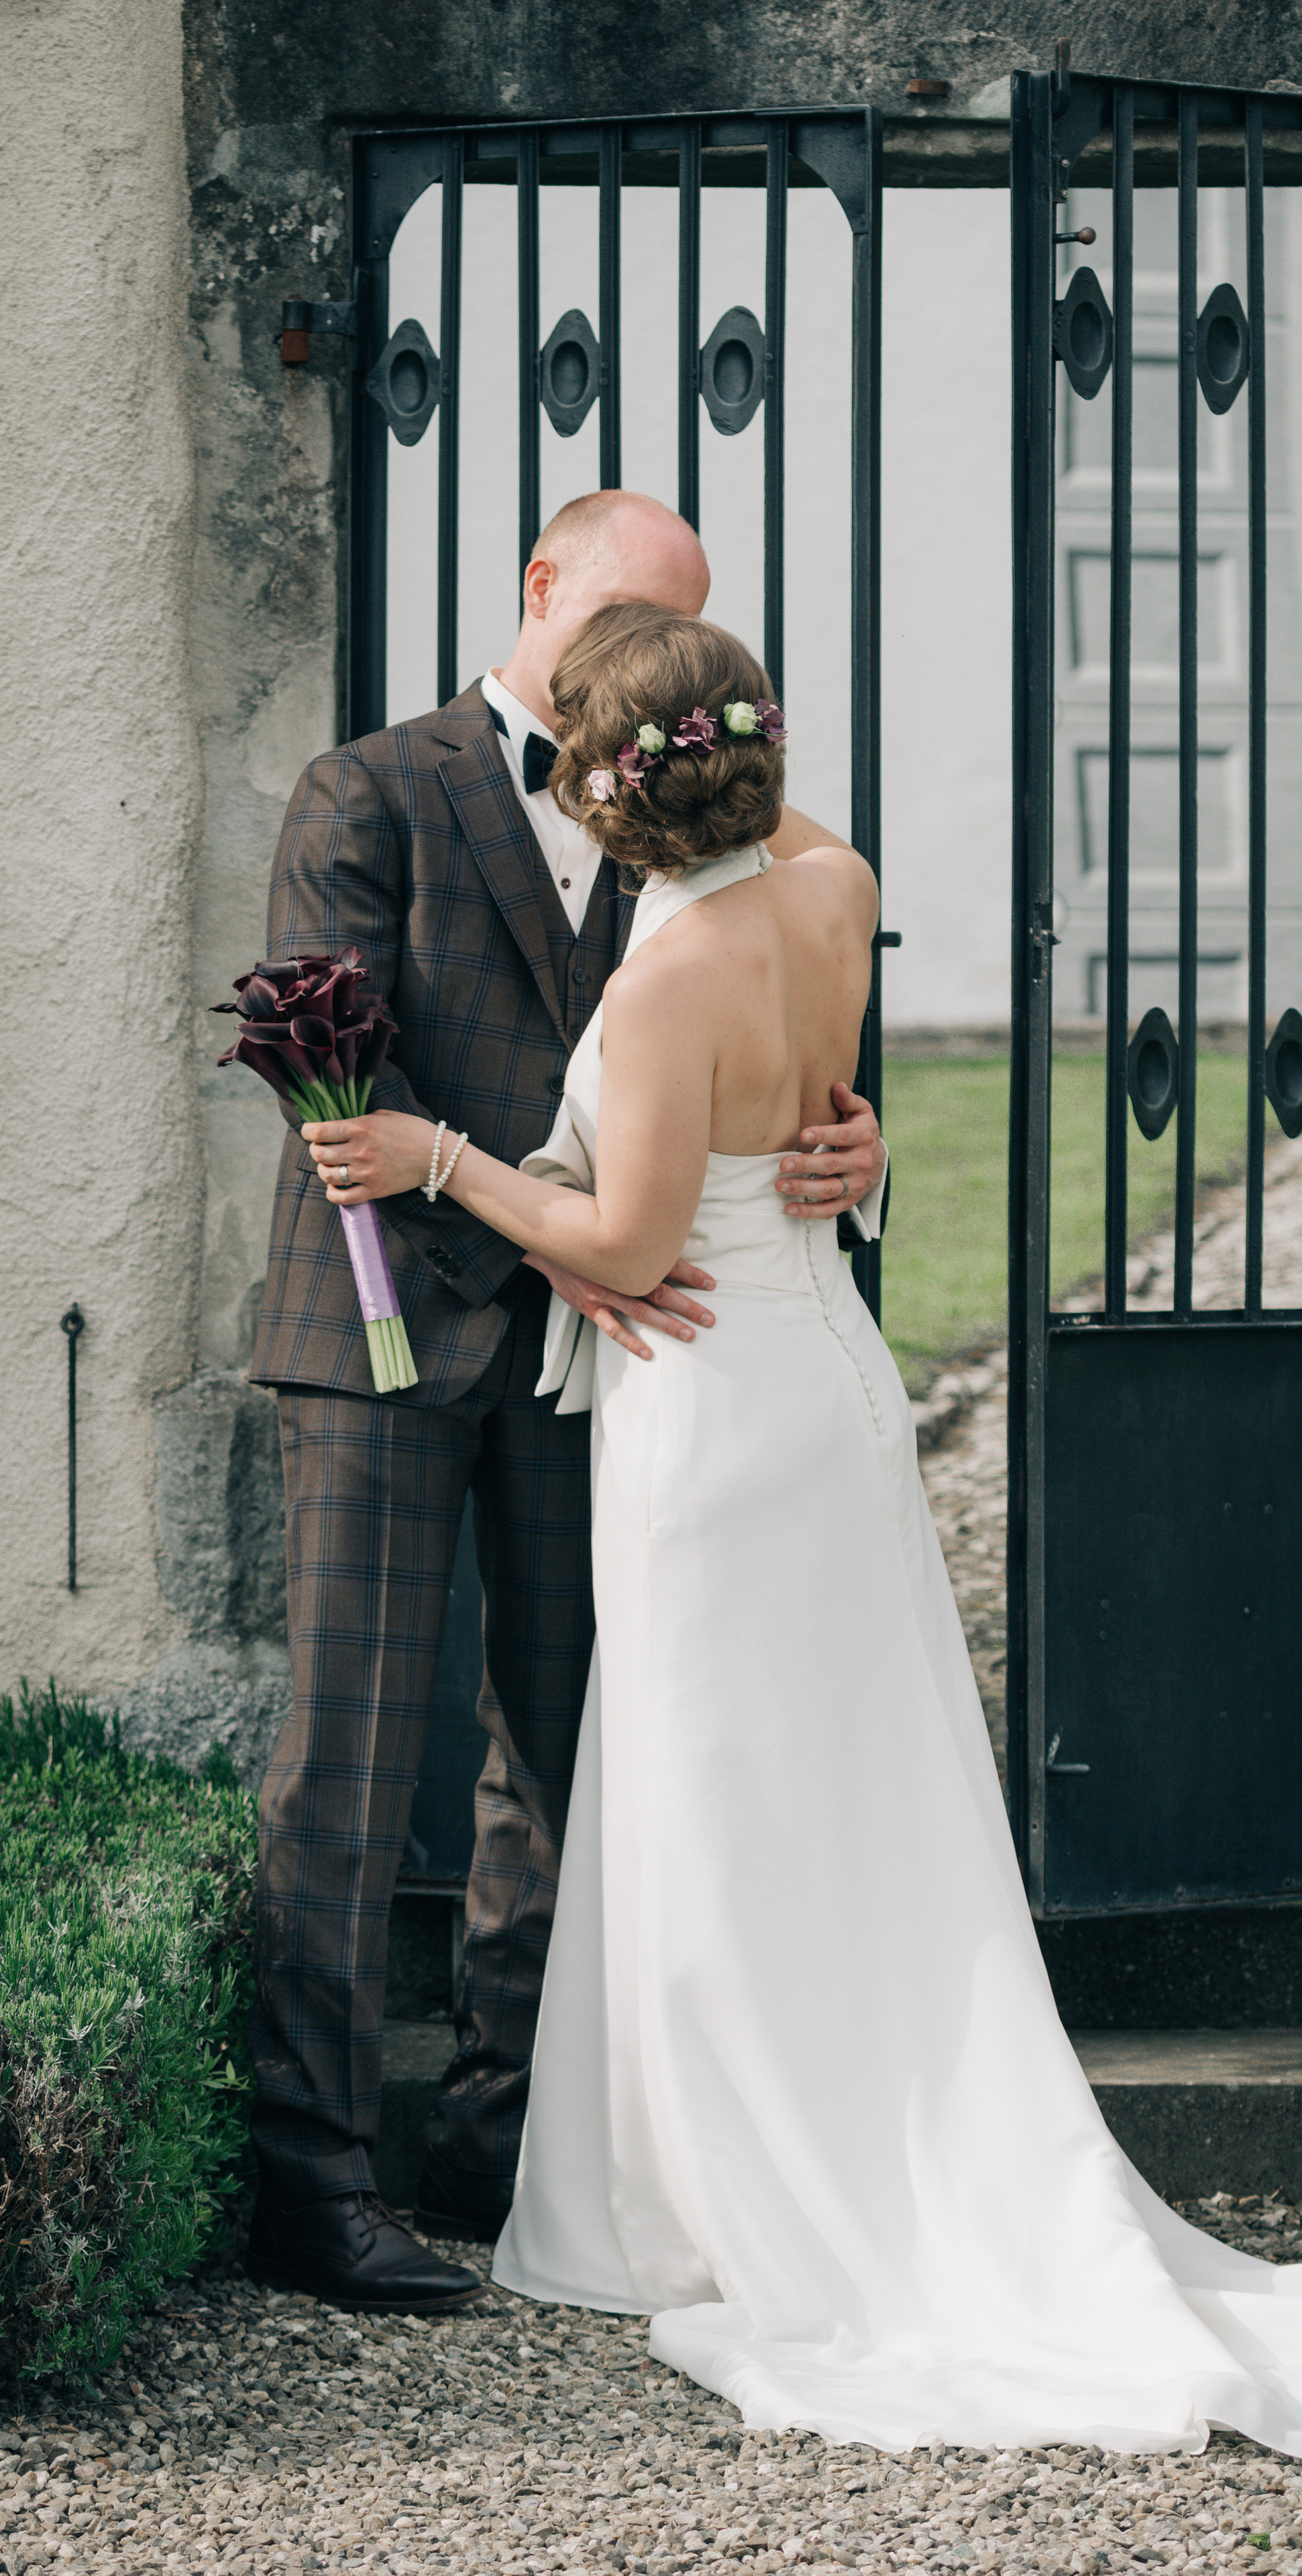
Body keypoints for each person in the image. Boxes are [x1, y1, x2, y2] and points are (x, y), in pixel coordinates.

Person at [301, 600, 1302, 2455]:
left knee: (724, 1799)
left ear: (602, 784)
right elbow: (786, 1084)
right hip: (824, 1388)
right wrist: (855, 1143)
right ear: (756, 745)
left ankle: (745, 2195)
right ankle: (830, 2124)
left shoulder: (661, 984)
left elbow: (627, 1251)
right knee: (853, 1787)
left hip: (718, 1413)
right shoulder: (830, 892)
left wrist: (441, 1162)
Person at [244, 494, 885, 2316]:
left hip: (609, 1335)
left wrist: (846, 1134)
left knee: (563, 1748)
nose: (623, 685)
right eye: (610, 627)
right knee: (350, 1763)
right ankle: (313, 2172)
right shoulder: (368, 789)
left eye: (665, 644)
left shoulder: (667, 795)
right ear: (538, 590)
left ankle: (503, 2133)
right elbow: (339, 1080)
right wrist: (564, 1235)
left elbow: (759, 1020)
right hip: (388, 1338)